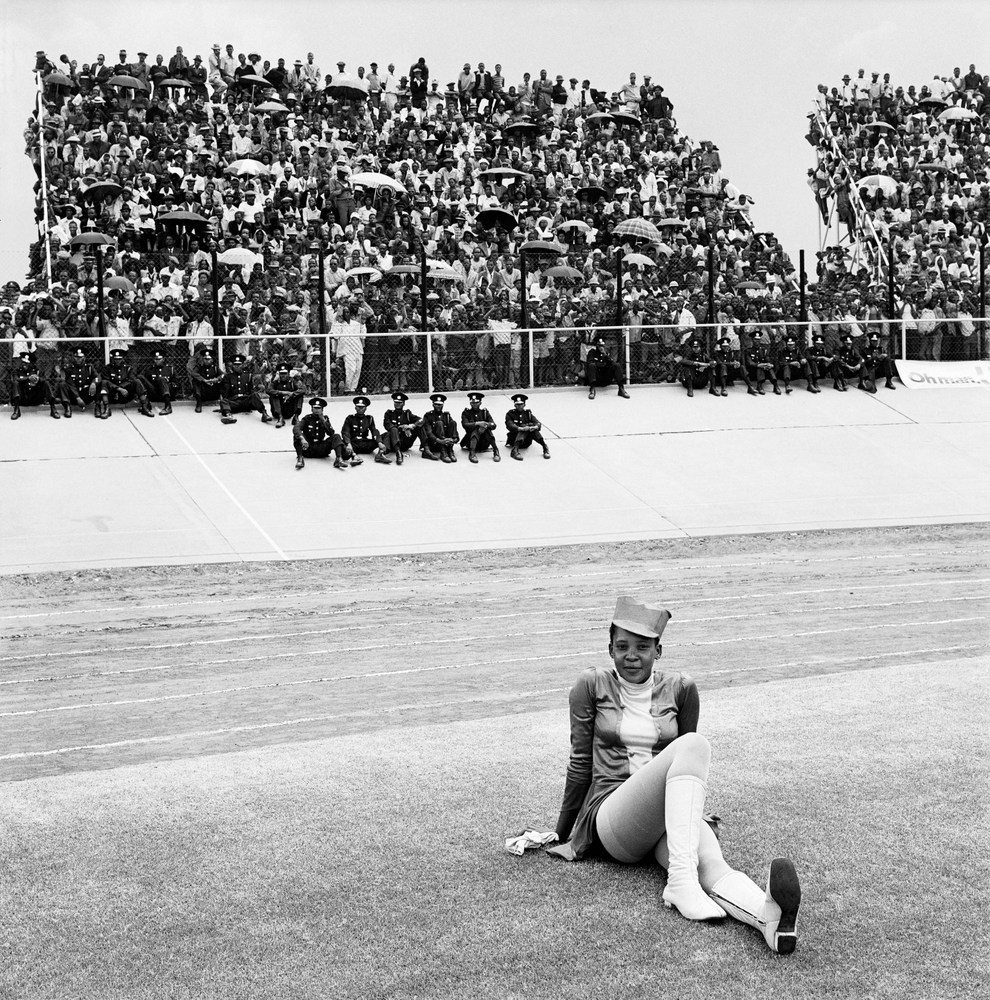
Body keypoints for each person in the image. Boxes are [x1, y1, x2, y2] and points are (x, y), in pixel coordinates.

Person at [547, 596, 801, 954]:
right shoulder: (591, 685)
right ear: (609, 649)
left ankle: (768, 920)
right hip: (613, 816)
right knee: (694, 745)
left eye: (642, 647)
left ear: (659, 650)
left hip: (665, 816)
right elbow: (579, 763)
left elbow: (683, 772)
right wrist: (563, 831)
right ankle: (680, 881)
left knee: (711, 863)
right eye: (622, 647)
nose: (631, 655)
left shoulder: (681, 688)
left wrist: (690, 814)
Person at [293, 396, 347, 471]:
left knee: (336, 436)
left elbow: (331, 433)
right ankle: (300, 459)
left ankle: (339, 459)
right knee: (297, 436)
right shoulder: (307, 418)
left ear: (322, 409)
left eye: (319, 408)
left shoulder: (325, 418)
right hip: (308, 448)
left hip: (321, 448)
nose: (316, 410)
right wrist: (302, 439)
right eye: (315, 408)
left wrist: (323, 421)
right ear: (311, 409)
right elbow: (296, 428)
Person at [219, 353, 273, 425]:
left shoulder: (248, 376)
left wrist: (252, 399)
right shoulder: (228, 377)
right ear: (232, 366)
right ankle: (229, 416)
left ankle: (264, 414)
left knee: (254, 395)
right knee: (223, 401)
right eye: (235, 365)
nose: (237, 367)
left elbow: (251, 390)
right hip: (234, 403)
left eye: (239, 365)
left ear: (242, 365)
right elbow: (225, 393)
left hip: (245, 402)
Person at [100, 348, 154, 419]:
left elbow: (131, 379)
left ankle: (144, 406)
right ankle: (106, 409)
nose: (117, 361)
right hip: (113, 395)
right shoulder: (108, 368)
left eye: (119, 359)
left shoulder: (128, 368)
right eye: (115, 359)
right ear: (112, 358)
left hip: (125, 395)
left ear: (123, 359)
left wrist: (122, 387)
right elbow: (106, 381)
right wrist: (118, 389)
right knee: (104, 382)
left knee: (137, 381)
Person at [341, 395, 392, 465]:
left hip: (366, 444)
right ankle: (354, 456)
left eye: (362, 407)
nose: (360, 409)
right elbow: (345, 432)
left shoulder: (369, 419)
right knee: (342, 443)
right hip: (354, 444)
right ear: (355, 407)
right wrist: (348, 444)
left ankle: (380, 454)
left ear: (366, 408)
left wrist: (379, 442)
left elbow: (374, 431)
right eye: (358, 407)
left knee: (387, 434)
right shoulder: (350, 418)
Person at [9, 351, 59, 420]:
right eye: (23, 362)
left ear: (31, 364)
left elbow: (44, 379)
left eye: (26, 363)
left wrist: (38, 380)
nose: (24, 365)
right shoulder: (17, 371)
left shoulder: (37, 370)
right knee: (15, 383)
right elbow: (15, 379)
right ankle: (16, 410)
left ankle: (53, 409)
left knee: (46, 383)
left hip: (35, 398)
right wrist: (28, 378)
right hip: (23, 399)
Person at [56, 345, 100, 417]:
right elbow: (70, 384)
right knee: (62, 384)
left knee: (99, 384)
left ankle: (97, 407)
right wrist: (77, 397)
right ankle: (67, 407)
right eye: (76, 357)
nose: (78, 359)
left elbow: (97, 377)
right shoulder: (69, 369)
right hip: (73, 397)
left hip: (86, 395)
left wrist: (93, 383)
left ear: (84, 358)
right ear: (73, 358)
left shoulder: (89, 367)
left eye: (80, 357)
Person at [504, 393, 551, 460]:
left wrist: (534, 427)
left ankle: (545, 447)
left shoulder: (528, 413)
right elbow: (509, 425)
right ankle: (515, 450)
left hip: (526, 441)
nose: (519, 406)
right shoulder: (510, 414)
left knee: (530, 427)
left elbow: (537, 423)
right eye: (517, 404)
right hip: (514, 439)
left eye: (521, 404)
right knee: (524, 427)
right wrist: (520, 428)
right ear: (514, 405)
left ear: (524, 405)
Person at [381, 391, 423, 466]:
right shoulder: (389, 413)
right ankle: (398, 453)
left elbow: (422, 420)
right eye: (396, 402)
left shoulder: (407, 413)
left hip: (405, 442)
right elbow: (388, 426)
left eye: (400, 402)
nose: (397, 404)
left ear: (404, 403)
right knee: (392, 430)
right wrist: (402, 427)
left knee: (419, 426)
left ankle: (425, 447)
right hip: (393, 444)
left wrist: (411, 426)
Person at [459, 391, 501, 463]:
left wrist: (485, 425)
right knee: (476, 429)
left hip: (484, 442)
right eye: (473, 403)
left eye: (477, 403)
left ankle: (496, 451)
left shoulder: (484, 412)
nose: (474, 404)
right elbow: (465, 425)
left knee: (486, 429)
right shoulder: (466, 413)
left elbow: (493, 425)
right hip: (470, 442)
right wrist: (477, 423)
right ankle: (472, 453)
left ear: (480, 403)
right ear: (470, 403)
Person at [421, 392, 460, 462]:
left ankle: (450, 451)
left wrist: (453, 440)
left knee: (453, 423)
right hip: (434, 443)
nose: (438, 406)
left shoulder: (446, 415)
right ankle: (443, 453)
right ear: (433, 404)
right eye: (436, 404)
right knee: (439, 423)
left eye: (440, 405)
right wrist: (440, 441)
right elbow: (429, 433)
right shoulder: (428, 416)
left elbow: (453, 429)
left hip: (446, 443)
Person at [140, 348, 179, 415]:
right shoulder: (150, 370)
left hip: (168, 395)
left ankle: (168, 406)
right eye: (155, 359)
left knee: (162, 379)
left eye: (159, 359)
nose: (157, 361)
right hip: (155, 393)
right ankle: (146, 404)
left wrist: (168, 385)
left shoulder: (170, 369)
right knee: (141, 377)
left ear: (163, 359)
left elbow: (176, 383)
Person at [742, 329, 780, 396]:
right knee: (760, 367)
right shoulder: (748, 350)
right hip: (752, 372)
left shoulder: (763, 350)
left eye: (758, 340)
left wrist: (769, 364)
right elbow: (749, 363)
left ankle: (775, 385)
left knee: (768, 368)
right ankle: (759, 386)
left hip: (762, 371)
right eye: (755, 340)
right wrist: (760, 365)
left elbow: (767, 359)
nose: (757, 341)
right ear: (752, 340)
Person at [266, 362, 305, 427]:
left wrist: (292, 394)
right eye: (281, 373)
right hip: (277, 410)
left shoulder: (293, 382)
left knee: (299, 395)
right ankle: (280, 418)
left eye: (285, 373)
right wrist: (281, 393)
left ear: (288, 374)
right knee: (273, 395)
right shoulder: (275, 382)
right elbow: (268, 390)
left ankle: (296, 417)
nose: (283, 375)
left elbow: (303, 390)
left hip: (289, 410)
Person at [187, 346, 224, 413]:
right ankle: (199, 404)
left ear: (212, 360)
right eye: (205, 359)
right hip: (203, 393)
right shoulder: (199, 367)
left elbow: (223, 375)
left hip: (213, 392)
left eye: (208, 359)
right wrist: (203, 380)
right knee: (195, 381)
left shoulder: (215, 368)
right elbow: (193, 373)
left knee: (222, 381)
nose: (207, 361)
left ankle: (224, 401)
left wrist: (216, 379)